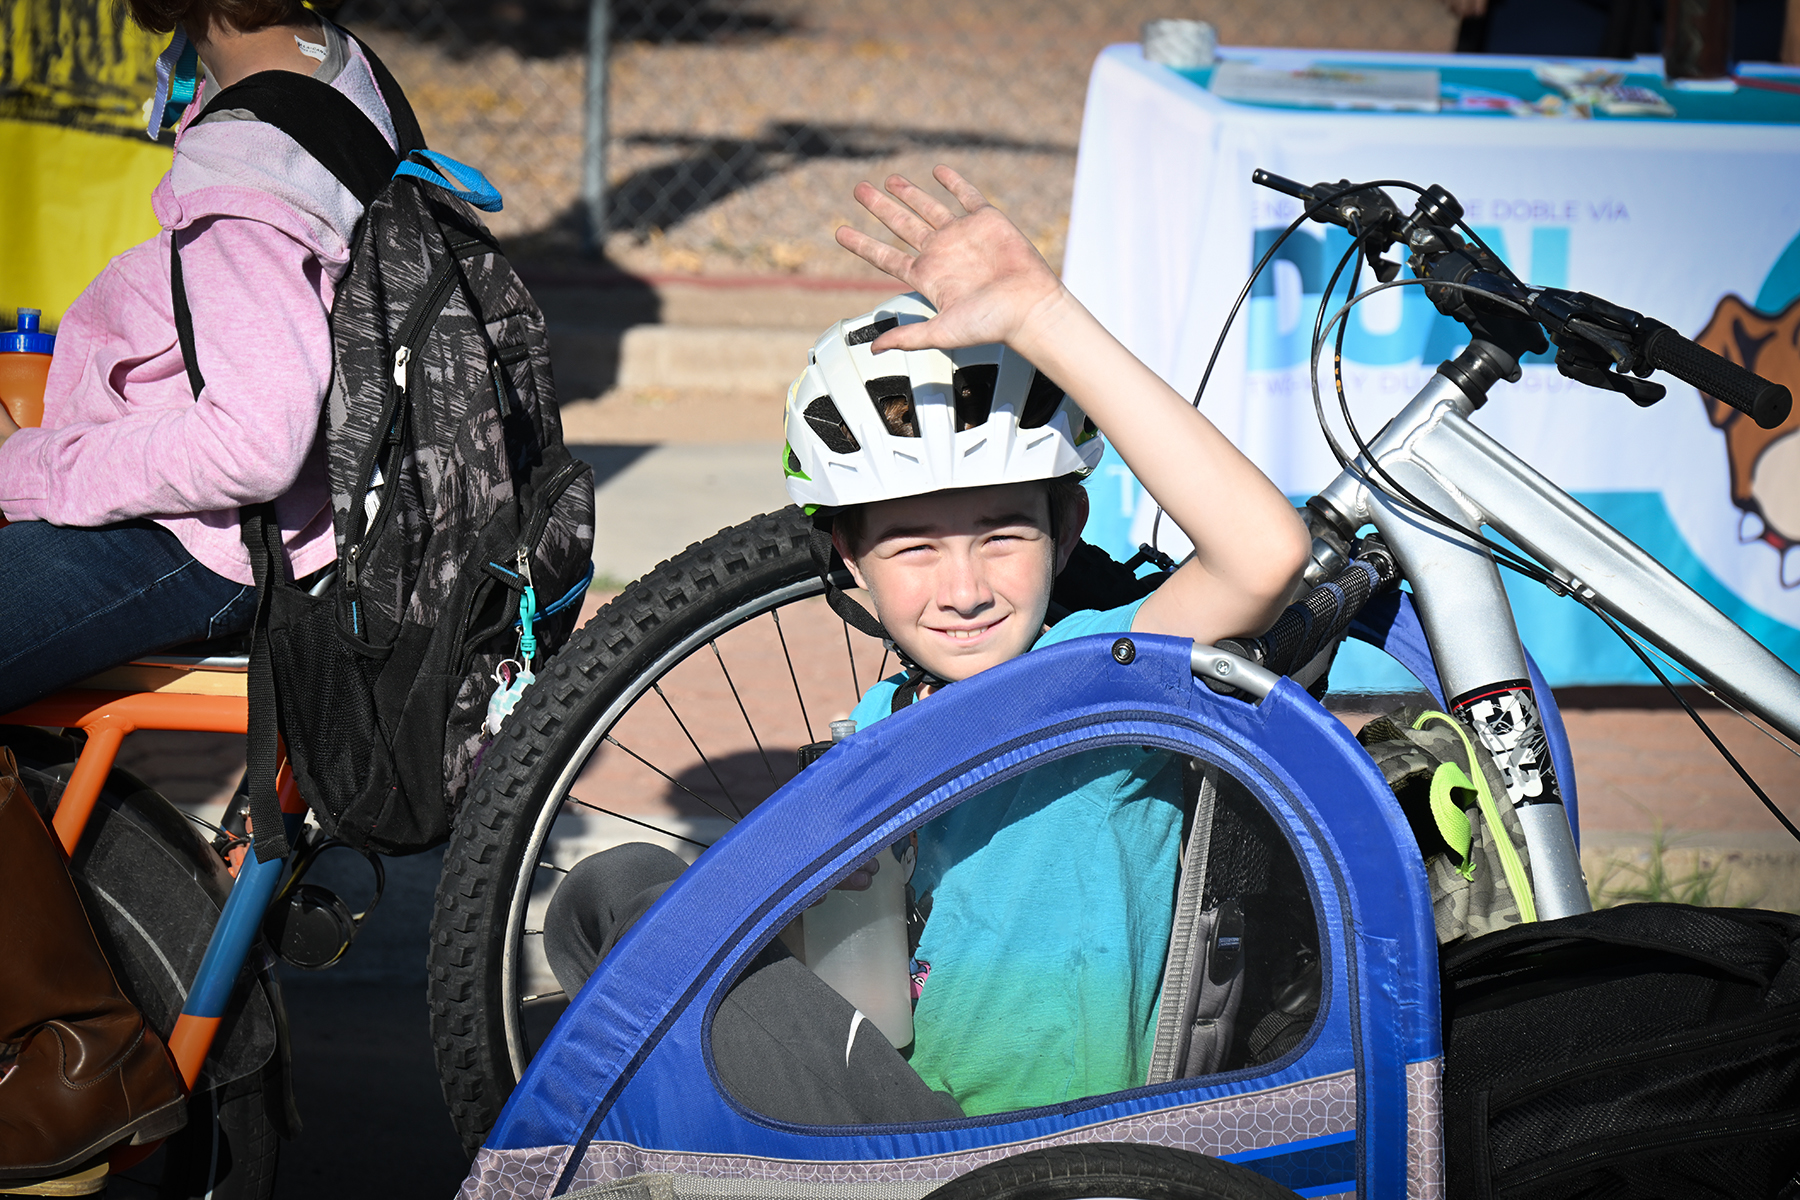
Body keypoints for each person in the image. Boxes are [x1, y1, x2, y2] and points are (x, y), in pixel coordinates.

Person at [546, 166, 1310, 1124]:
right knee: (620, 897)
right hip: (899, 1123)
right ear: (849, 560)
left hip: (1023, 1157)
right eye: (914, 547)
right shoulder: (877, 722)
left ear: (1065, 532)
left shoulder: (1098, 681)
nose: (964, 589)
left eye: (1002, 535)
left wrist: (1042, 314)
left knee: (628, 907)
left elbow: (1266, 552)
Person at [0, 0, 400, 1185]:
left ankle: (83, 1054)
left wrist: (28, 468)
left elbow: (253, 441)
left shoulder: (251, 152)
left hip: (208, 543)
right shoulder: (341, 75)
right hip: (275, 540)